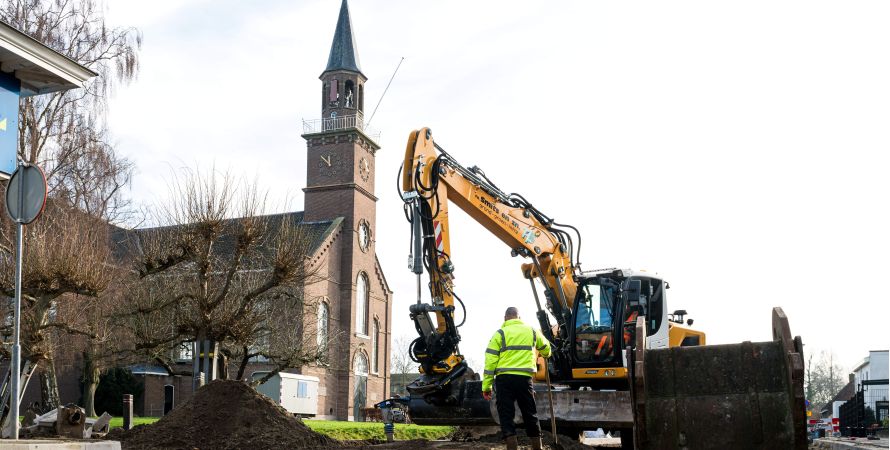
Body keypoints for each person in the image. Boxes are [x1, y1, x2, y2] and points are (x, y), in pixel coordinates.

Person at [482, 307, 552, 450]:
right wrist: (545, 353)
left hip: (504, 380)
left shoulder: (500, 334)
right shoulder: (532, 331)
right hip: (524, 379)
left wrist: (486, 386)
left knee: (506, 414)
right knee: (530, 412)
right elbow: (547, 349)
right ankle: (537, 446)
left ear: (505, 318)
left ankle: (512, 446)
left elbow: (490, 362)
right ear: (519, 317)